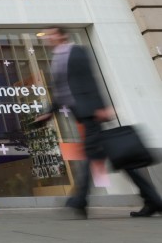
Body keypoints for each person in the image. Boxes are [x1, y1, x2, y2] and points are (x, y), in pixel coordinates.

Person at [40, 27, 162, 218]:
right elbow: (61, 90)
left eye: (52, 34)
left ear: (62, 36)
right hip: (81, 113)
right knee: (120, 158)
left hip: (91, 112)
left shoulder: (77, 52)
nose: (48, 37)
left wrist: (102, 106)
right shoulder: (56, 58)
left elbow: (90, 80)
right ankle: (153, 200)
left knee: (92, 154)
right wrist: (49, 113)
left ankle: (80, 199)